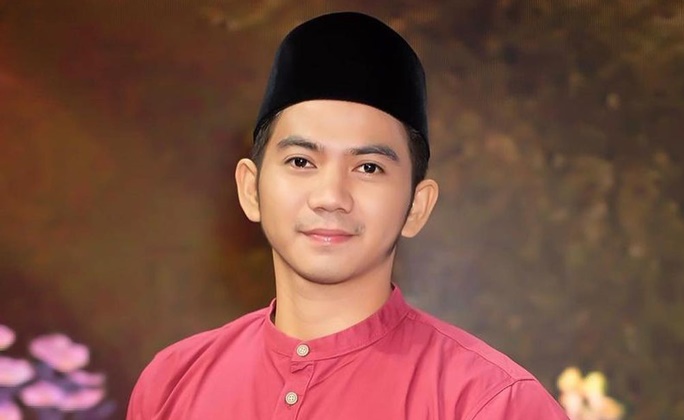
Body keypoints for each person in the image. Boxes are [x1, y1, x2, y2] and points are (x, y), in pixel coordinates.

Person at [127, 11, 568, 419]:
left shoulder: (491, 403)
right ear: (250, 189)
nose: (330, 197)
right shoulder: (171, 384)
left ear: (416, 207)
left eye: (369, 168)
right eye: (301, 161)